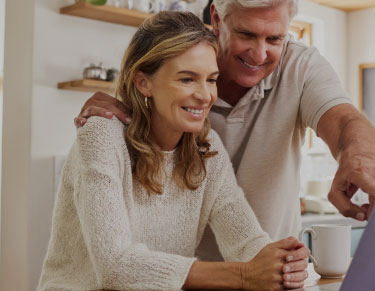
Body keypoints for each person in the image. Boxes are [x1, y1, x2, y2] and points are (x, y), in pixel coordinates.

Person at [74, 0, 375, 262]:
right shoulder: (172, 72)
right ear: (217, 18)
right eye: (246, 34)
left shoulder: (301, 67)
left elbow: (345, 120)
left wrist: (358, 157)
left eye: (274, 38)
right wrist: (114, 114)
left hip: (259, 272)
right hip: (172, 279)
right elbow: (117, 259)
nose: (259, 54)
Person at [37, 11, 309, 291]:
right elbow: (115, 264)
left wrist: (282, 262)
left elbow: (246, 243)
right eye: (187, 79)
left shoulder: (207, 147)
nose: (205, 96)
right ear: (143, 82)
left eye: (211, 79)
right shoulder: (102, 136)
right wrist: (244, 274)